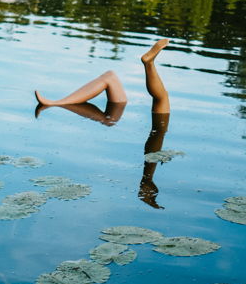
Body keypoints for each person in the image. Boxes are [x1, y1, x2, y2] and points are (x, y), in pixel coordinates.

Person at [34, 39, 171, 208]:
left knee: (111, 77)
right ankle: (149, 64)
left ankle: (56, 103)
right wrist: (147, 179)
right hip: (121, 115)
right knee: (160, 113)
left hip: (118, 112)